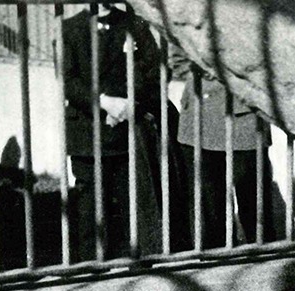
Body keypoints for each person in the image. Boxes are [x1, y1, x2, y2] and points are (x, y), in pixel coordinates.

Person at [62, 3, 163, 260]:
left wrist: (129, 105)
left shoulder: (135, 24)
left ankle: (140, 261)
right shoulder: (69, 29)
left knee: (135, 200)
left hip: (128, 129)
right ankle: (93, 265)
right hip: (87, 131)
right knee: (91, 205)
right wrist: (104, 103)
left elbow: (154, 71)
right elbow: (68, 81)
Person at [169, 45, 275, 249]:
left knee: (255, 210)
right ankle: (219, 260)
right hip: (200, 117)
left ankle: (264, 258)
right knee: (210, 216)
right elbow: (177, 60)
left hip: (244, 116)